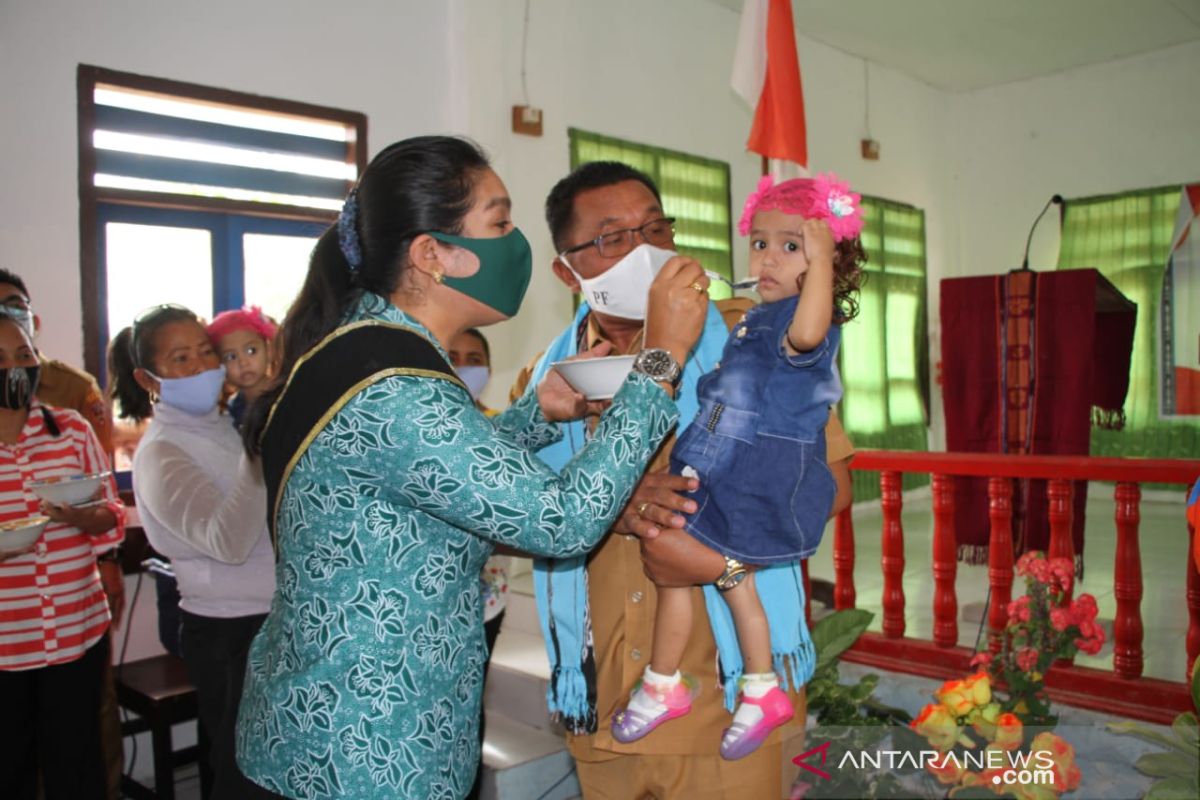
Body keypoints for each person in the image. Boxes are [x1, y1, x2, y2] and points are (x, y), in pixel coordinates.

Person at [233, 135, 709, 800]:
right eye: (500, 222)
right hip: (366, 749)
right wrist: (659, 358)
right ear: (432, 254)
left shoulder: (362, 352)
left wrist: (535, 415)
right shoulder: (394, 384)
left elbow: (439, 482)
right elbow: (560, 523)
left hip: (326, 725)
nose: (515, 243)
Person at [509, 161, 855, 799]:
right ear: (566, 269)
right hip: (609, 698)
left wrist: (712, 535)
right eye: (612, 238)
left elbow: (832, 483)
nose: (644, 252)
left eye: (655, 229)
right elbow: (507, 510)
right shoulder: (547, 377)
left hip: (730, 701)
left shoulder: (752, 340)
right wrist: (610, 503)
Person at [610, 174, 866, 761]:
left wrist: (821, 263)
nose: (769, 258)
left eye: (791, 246)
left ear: (828, 261)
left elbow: (805, 332)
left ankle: (757, 687)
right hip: (717, 457)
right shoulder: (752, 315)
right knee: (679, 571)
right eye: (759, 242)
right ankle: (666, 682)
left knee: (729, 578)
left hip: (755, 471)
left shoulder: (809, 322)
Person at [108, 304, 276, 799]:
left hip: (270, 615)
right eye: (182, 358)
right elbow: (228, 541)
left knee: (277, 765)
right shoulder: (162, 451)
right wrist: (258, 448)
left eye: (207, 351)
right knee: (244, 773)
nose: (204, 366)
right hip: (228, 630)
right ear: (149, 378)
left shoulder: (222, 425)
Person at [0, 268, 125, 800]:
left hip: (77, 629)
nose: (16, 370)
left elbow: (110, 512)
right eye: (1, 362)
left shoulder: (69, 427)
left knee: (77, 764)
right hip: (8, 643)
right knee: (10, 769)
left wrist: (86, 517)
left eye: (24, 356)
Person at [447, 326, 509, 800]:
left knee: (471, 702)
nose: (465, 365)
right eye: (453, 355)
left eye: (474, 357)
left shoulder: (502, 425)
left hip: (487, 599)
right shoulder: (429, 424)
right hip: (437, 602)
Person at [206, 305, 278, 429]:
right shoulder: (233, 409)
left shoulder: (286, 396)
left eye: (251, 351)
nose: (243, 363)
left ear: (269, 351)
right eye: (231, 357)